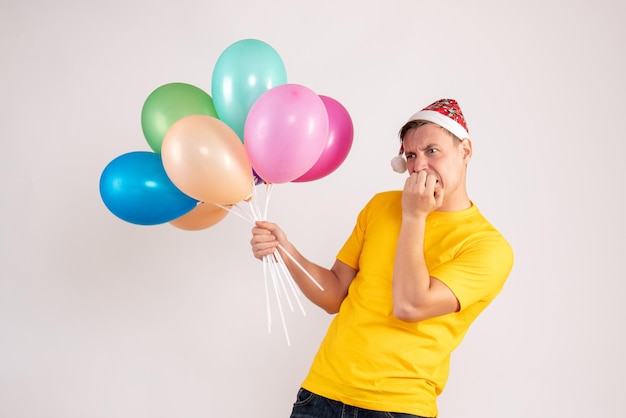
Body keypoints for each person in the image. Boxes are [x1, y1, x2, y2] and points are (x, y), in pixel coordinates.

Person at [250, 98, 514, 418]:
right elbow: (335, 295)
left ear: (465, 151)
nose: (419, 166)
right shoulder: (380, 207)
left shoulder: (487, 247)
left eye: (433, 150)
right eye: (412, 155)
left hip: (398, 408)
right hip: (320, 395)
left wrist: (414, 216)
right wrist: (286, 251)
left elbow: (410, 305)